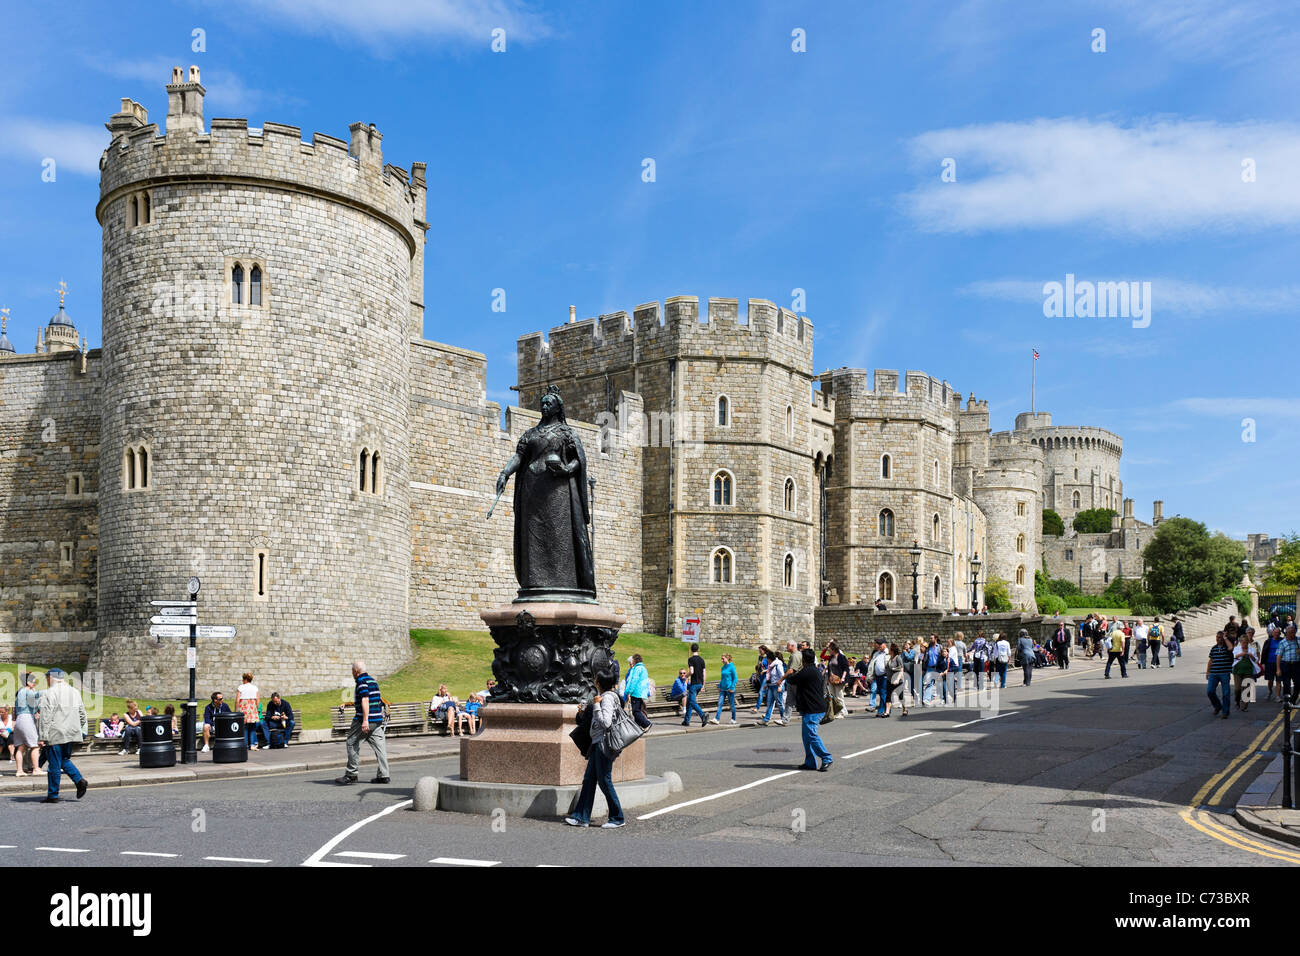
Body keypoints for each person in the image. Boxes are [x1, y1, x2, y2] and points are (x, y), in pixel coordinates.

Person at [564, 671, 625, 828]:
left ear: (599, 683)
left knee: (605, 780)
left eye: (596, 679)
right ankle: (581, 817)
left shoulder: (608, 698)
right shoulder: (608, 697)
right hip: (598, 743)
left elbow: (605, 723)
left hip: (604, 744)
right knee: (589, 780)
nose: (594, 680)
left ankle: (617, 817)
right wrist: (584, 713)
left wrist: (597, 704)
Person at [36, 669, 88, 803]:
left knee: (54, 765)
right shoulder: (74, 692)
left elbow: (45, 717)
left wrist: (42, 736)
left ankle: (53, 795)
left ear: (51, 678)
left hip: (56, 733)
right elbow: (82, 713)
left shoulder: (50, 692)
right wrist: (78, 727)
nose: (47, 681)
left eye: (47, 678)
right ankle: (80, 781)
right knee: (63, 759)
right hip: (70, 733)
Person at [779, 649, 832, 771]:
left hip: (813, 709)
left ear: (803, 660)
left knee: (811, 735)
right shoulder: (814, 670)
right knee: (806, 736)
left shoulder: (807, 671)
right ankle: (810, 762)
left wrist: (791, 670)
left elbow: (791, 679)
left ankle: (826, 758)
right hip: (812, 707)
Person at [339, 660, 389, 784]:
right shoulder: (373, 681)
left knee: (351, 742)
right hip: (377, 720)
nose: (352, 674)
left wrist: (365, 720)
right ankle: (384, 775)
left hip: (364, 719)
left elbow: (365, 699)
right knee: (380, 747)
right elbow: (378, 700)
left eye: (352, 671)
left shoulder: (361, 681)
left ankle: (351, 774)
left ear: (356, 671)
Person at [13, 672, 44, 776]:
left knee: (21, 747)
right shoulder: (27, 691)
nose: (34, 683)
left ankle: (19, 771)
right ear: (28, 682)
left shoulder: (20, 692)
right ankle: (36, 769)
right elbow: (35, 705)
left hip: (19, 720)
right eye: (33, 681)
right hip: (27, 719)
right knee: (35, 746)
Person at [1232, 630, 1261, 712]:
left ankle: (1244, 706)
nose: (1244, 644)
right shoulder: (1237, 649)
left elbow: (1256, 660)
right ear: (1240, 642)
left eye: (1246, 642)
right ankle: (1237, 701)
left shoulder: (1251, 650)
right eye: (1243, 642)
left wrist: (1251, 656)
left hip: (1248, 672)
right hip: (1237, 671)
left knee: (1246, 689)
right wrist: (1240, 655)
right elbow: (1233, 657)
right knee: (1237, 689)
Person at [1206, 631, 1234, 718]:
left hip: (1224, 673)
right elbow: (1210, 661)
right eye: (1217, 637)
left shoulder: (1226, 647)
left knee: (1226, 693)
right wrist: (1208, 672)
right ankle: (1217, 706)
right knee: (1210, 691)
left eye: (1220, 637)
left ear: (1223, 638)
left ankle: (1225, 712)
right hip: (1213, 673)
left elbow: (1231, 647)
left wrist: (1225, 638)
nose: (1218, 639)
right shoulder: (1213, 648)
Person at [683, 643, 709, 727]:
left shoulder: (691, 659)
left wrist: (686, 676)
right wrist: (703, 685)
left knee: (692, 702)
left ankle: (703, 715)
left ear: (691, 650)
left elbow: (691, 671)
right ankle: (686, 721)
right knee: (689, 702)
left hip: (694, 684)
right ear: (698, 650)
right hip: (700, 684)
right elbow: (704, 673)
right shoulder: (702, 660)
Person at [759, 649, 788, 726]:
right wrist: (766, 684)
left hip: (777, 686)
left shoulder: (778, 665)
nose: (766, 661)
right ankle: (766, 720)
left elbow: (782, 676)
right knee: (770, 703)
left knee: (779, 703)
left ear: (769, 659)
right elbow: (770, 676)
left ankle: (784, 719)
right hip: (771, 686)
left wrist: (780, 687)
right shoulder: (771, 665)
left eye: (767, 659)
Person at [624, 653, 652, 729]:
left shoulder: (636, 669)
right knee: (638, 710)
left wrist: (629, 691)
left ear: (634, 660)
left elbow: (633, 681)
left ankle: (646, 724)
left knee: (635, 711)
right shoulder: (643, 668)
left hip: (636, 693)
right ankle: (637, 727)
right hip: (641, 692)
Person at [825, 641, 850, 719]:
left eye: (829, 649)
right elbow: (829, 668)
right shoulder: (831, 657)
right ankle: (838, 712)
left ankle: (841, 713)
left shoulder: (841, 657)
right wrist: (828, 679)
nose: (828, 650)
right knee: (832, 696)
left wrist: (843, 678)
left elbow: (846, 668)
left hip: (839, 680)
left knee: (839, 696)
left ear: (833, 649)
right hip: (831, 679)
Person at [236, 672, 261, 751]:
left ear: (245, 679)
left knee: (245, 728)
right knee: (252, 728)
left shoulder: (240, 687)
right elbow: (257, 700)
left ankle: (245, 744)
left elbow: (237, 700)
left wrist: (236, 710)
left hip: (244, 708)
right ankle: (252, 744)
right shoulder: (255, 688)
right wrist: (256, 709)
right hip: (252, 707)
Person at [1277, 624, 1300, 705]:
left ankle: (1293, 700)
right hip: (1286, 665)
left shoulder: (1298, 640)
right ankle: (1287, 700)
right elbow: (1279, 656)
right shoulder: (1282, 642)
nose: (1292, 634)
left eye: (1293, 632)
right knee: (1286, 684)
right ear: (1286, 633)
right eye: (1290, 633)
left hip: (1297, 665)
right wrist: (1278, 669)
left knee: (1298, 683)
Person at [885, 642, 908, 717]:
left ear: (892, 650)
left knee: (900, 696)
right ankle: (887, 712)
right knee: (888, 695)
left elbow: (901, 670)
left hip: (898, 681)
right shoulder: (889, 658)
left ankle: (905, 709)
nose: (888, 650)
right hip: (889, 680)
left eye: (889, 649)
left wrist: (897, 679)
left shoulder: (898, 658)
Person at [715, 653, 738, 725]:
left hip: (729, 689)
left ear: (727, 658)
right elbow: (722, 679)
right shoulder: (723, 667)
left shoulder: (732, 666)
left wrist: (732, 687)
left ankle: (734, 719)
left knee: (732, 705)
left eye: (723, 658)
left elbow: (735, 678)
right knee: (720, 704)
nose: (721, 660)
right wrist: (719, 686)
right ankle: (717, 719)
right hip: (723, 689)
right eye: (721, 658)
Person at [869, 640, 890, 716]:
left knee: (883, 692)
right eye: (878, 646)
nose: (878, 647)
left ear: (884, 645)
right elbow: (871, 665)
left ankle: (882, 710)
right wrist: (870, 676)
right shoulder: (876, 654)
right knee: (881, 693)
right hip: (877, 676)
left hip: (885, 675)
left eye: (879, 646)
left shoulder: (888, 653)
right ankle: (887, 709)